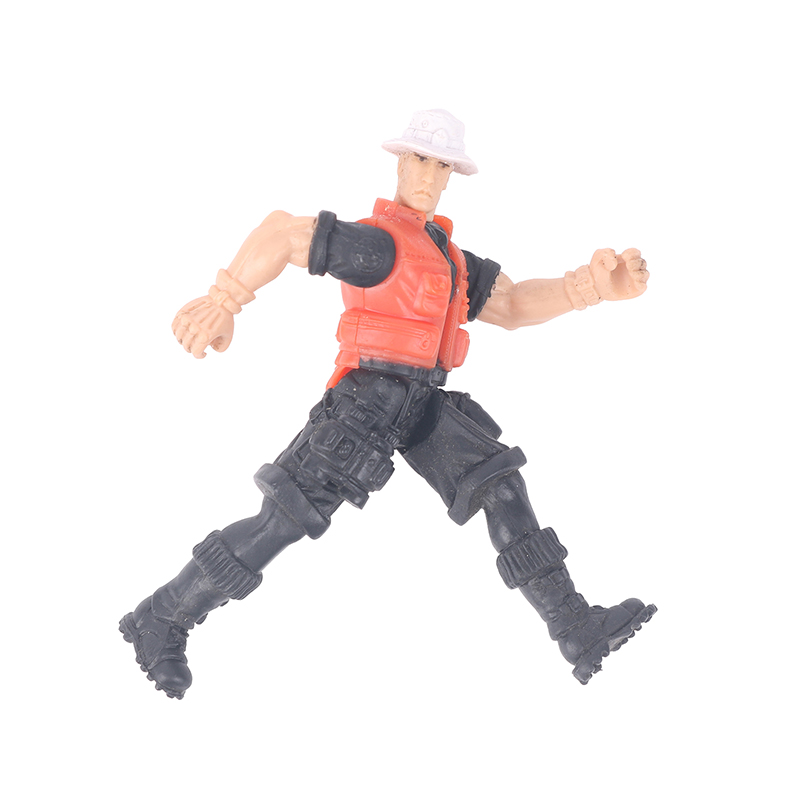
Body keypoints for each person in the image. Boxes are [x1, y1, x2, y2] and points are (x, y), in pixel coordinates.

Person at [120, 109, 656, 699]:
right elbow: (281, 233)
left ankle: (575, 628)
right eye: (419, 159)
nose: (428, 174)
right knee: (282, 521)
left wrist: (590, 288)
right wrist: (223, 301)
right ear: (400, 163)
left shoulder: (450, 258)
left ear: (451, 176)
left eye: (440, 165)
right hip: (364, 405)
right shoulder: (376, 245)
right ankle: (161, 618)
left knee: (502, 488)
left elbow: (511, 305)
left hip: (423, 402)